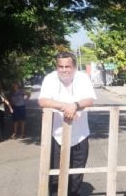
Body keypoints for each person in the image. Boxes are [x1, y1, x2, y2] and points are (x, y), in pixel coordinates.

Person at [38, 52, 96, 196]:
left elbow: (90, 99)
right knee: (55, 174)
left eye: (67, 66)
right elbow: (43, 101)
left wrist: (75, 105)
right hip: (57, 135)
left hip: (80, 135)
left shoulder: (82, 77)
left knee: (77, 173)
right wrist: (66, 106)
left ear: (74, 67)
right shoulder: (50, 78)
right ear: (57, 67)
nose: (64, 70)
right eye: (60, 66)